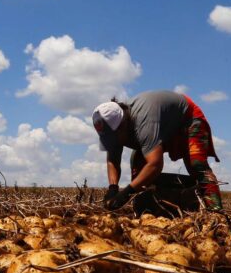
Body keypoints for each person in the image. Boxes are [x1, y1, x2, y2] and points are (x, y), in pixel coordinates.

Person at [92, 90, 222, 211]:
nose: (112, 141)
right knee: (137, 162)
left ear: (123, 124)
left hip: (188, 118)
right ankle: (145, 209)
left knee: (196, 164)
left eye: (113, 137)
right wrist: (113, 188)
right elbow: (112, 161)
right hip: (163, 127)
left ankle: (217, 212)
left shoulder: (144, 123)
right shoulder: (114, 128)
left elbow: (155, 164)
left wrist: (127, 192)